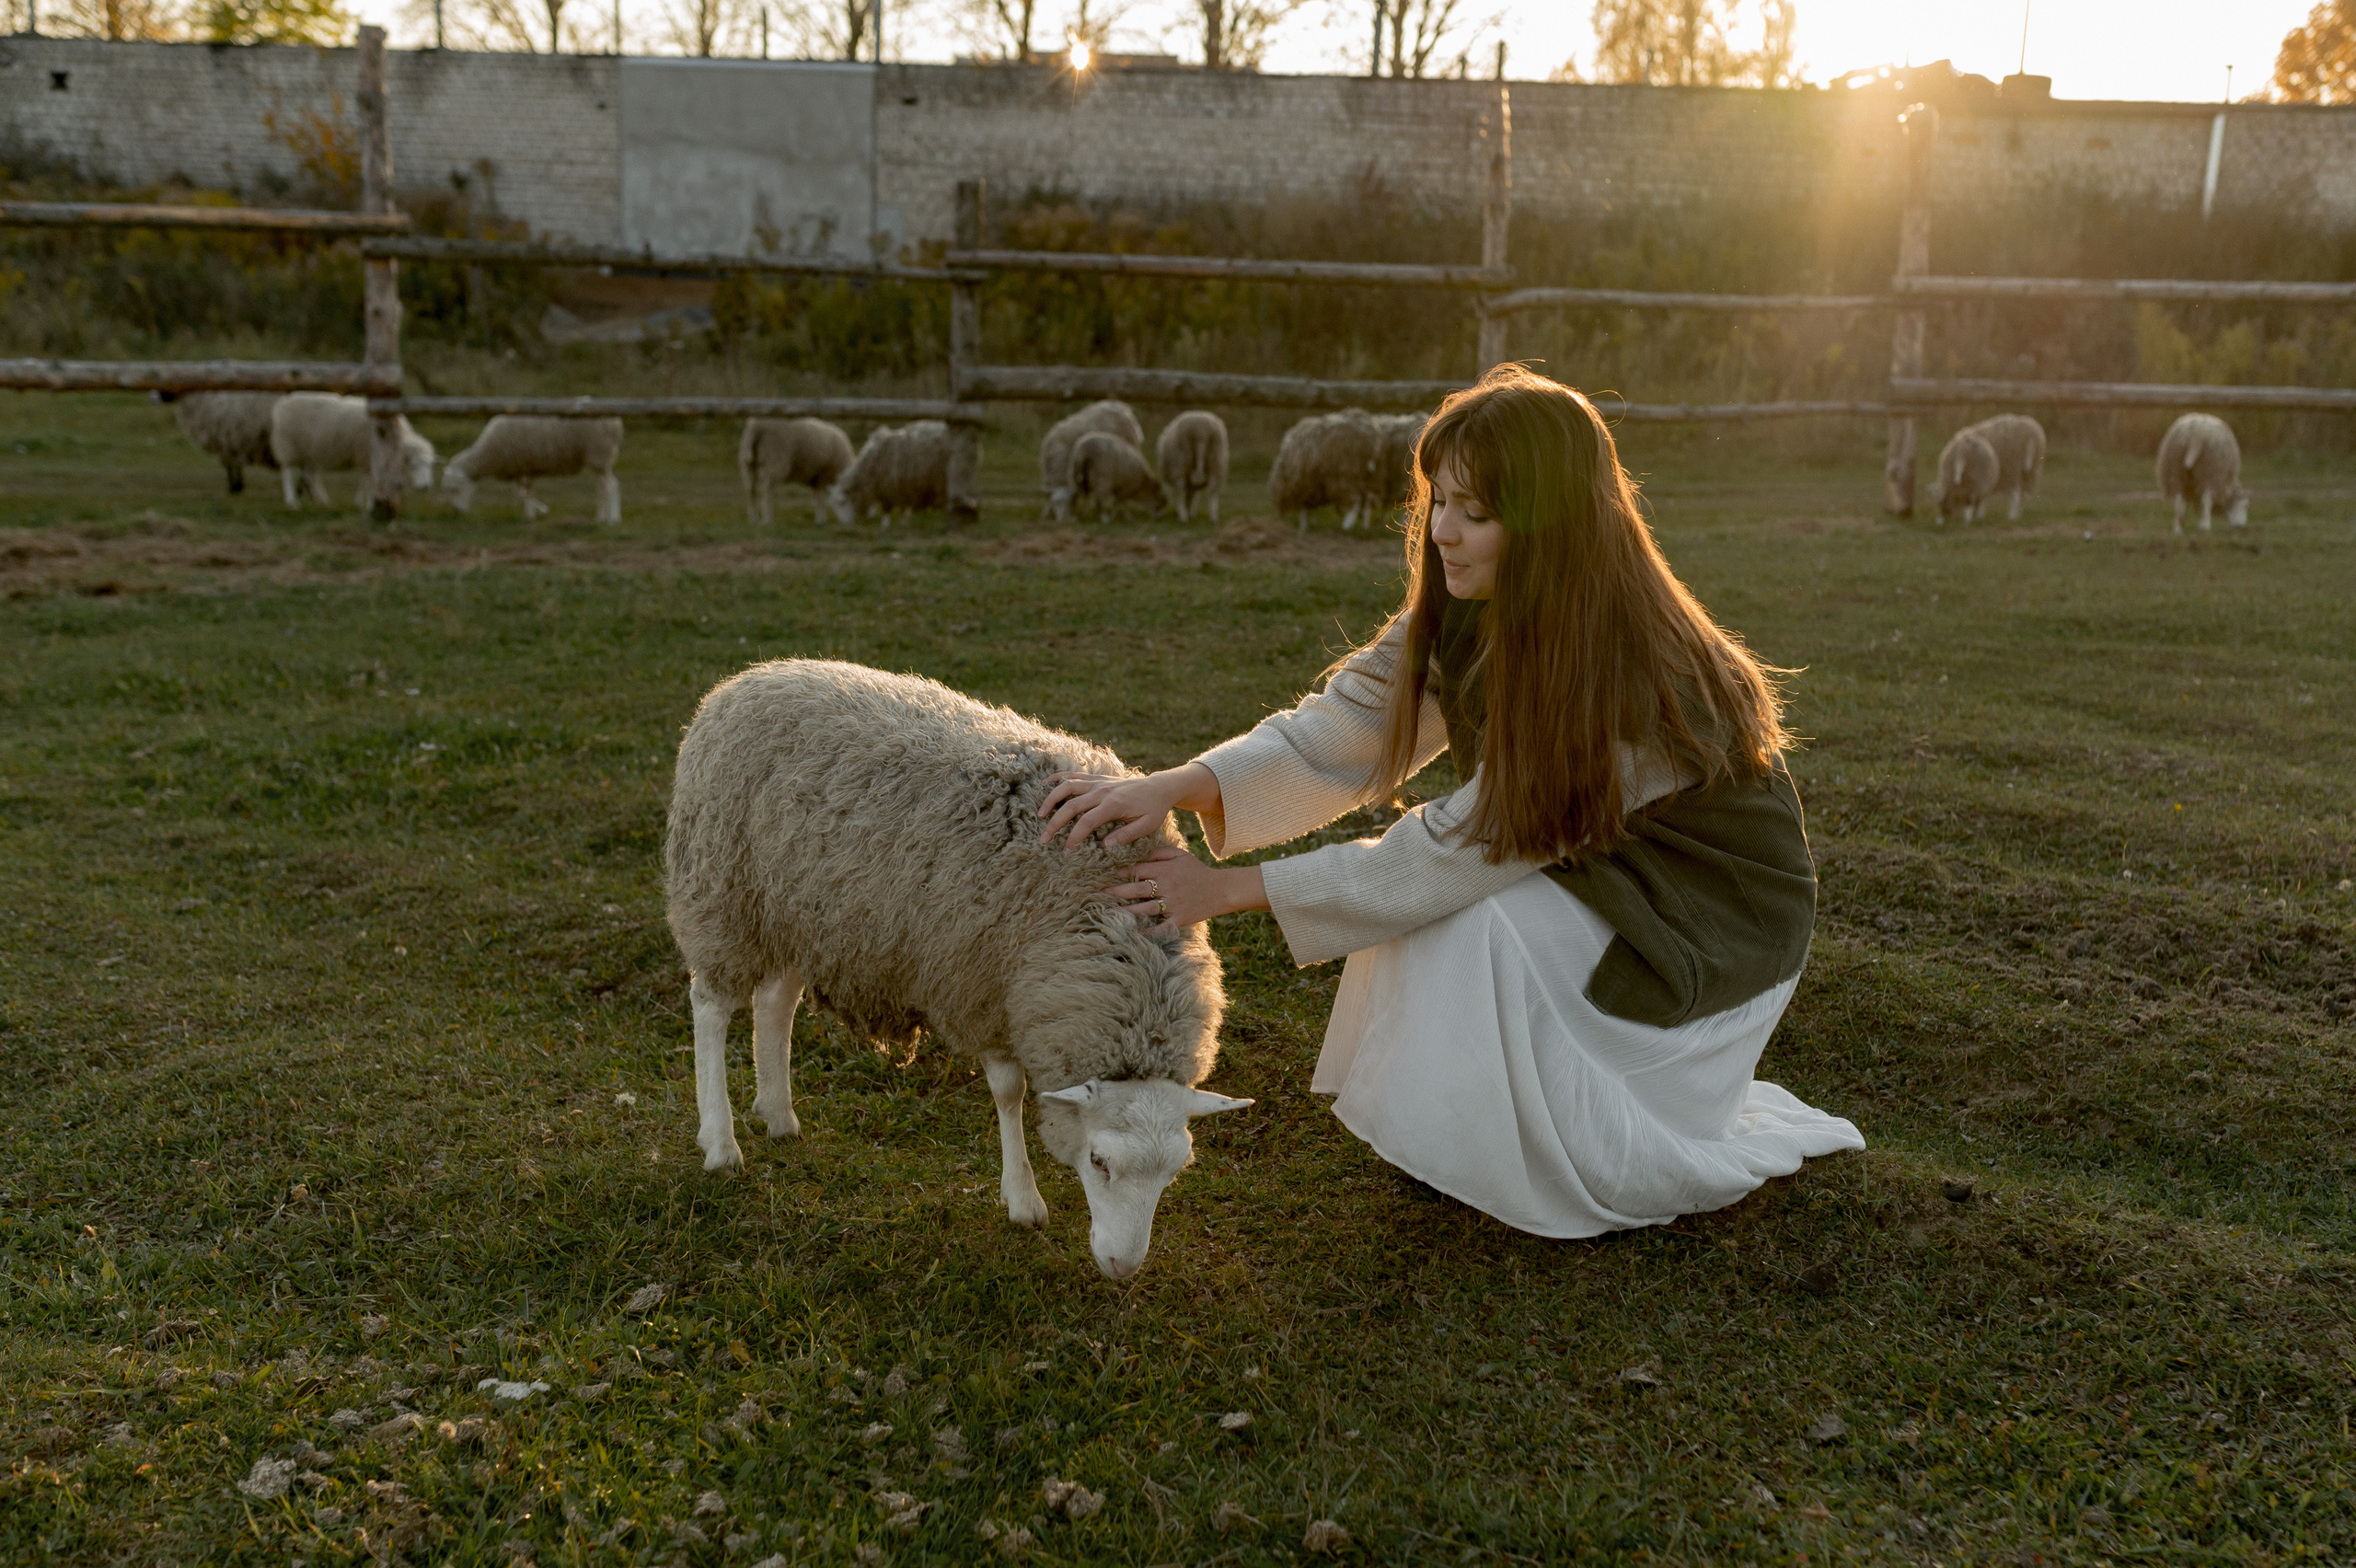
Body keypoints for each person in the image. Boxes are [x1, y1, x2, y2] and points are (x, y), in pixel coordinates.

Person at [1036, 365, 1862, 1239]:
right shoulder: (1472, 604)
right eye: (1440, 500)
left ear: (1550, 524)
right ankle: (1467, 1138)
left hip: (1710, 928)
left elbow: (1468, 844)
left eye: (1477, 512)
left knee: (1473, 922)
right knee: (1452, 913)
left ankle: (1582, 1135)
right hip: (1608, 874)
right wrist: (1177, 783)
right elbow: (1342, 727)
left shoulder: (1627, 670)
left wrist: (1228, 890)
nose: (1442, 532)